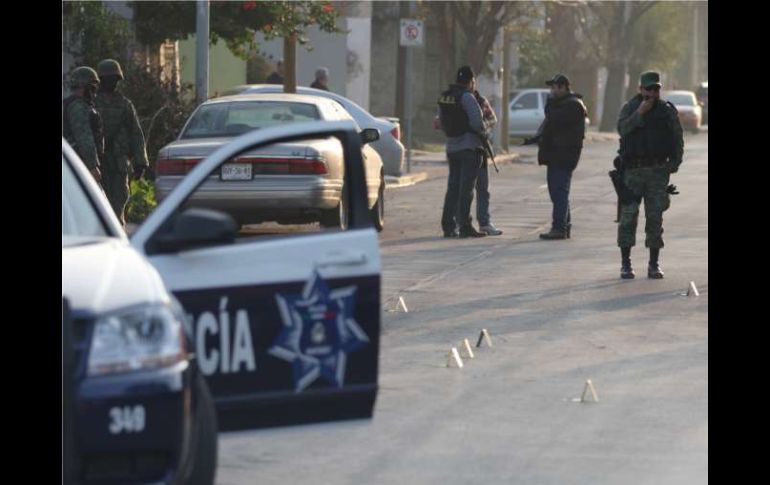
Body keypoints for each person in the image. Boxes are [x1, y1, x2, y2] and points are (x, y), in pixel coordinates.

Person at [616, 71, 684, 279]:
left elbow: (677, 138)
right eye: (648, 89)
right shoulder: (630, 108)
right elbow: (622, 129)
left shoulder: (666, 111)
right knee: (628, 218)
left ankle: (653, 264)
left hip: (657, 171)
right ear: (640, 89)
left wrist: (673, 164)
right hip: (633, 171)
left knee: (655, 219)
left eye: (656, 89)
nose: (652, 93)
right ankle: (626, 264)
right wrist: (640, 113)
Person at [526, 74, 587, 240]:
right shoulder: (561, 104)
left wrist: (550, 103)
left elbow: (555, 119)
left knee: (559, 191)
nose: (552, 91)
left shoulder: (573, 105)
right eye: (551, 87)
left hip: (564, 155)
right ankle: (564, 226)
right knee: (557, 192)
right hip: (556, 154)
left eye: (555, 87)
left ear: (564, 87)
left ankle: (559, 227)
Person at [95, 59, 150, 226]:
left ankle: (117, 229)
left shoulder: (125, 104)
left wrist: (141, 162)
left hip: (119, 161)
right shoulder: (92, 103)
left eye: (115, 78)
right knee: (96, 202)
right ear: (101, 80)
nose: (112, 82)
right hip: (97, 162)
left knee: (120, 200)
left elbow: (136, 133)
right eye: (108, 78)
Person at [437, 65, 490, 238]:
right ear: (471, 81)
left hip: (452, 148)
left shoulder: (446, 97)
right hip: (469, 148)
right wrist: (484, 133)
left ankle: (448, 225)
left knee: (452, 188)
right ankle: (465, 226)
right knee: (466, 190)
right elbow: (477, 122)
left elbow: (441, 121)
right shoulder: (467, 97)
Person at [63, 66, 103, 184]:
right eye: (93, 88)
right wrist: (92, 166)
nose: (94, 93)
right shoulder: (78, 107)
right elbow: (84, 138)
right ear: (84, 87)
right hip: (78, 163)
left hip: (74, 162)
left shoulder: (74, 104)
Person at [472, 88, 503, 236]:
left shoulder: (480, 101)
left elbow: (492, 119)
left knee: (483, 188)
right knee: (462, 190)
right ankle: (460, 223)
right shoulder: (456, 99)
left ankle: (484, 223)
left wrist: (482, 127)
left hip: (480, 149)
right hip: (463, 150)